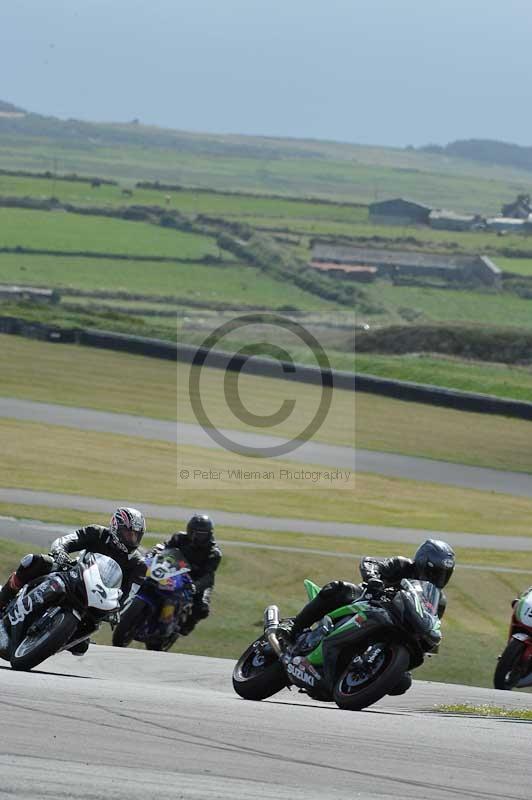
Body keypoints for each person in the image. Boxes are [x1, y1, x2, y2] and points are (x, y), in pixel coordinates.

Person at [0, 507, 147, 654]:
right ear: (116, 527)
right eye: (129, 534)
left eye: (136, 536)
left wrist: (117, 610)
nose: (132, 539)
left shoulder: (138, 564)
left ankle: (45, 639)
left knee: (81, 647)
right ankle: (3, 602)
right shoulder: (97, 533)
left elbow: (129, 595)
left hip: (99, 598)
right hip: (73, 573)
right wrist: (60, 551)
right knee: (35, 562)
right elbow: (67, 540)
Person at [290, 539, 455, 647]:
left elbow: (430, 623)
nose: (438, 578)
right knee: (338, 589)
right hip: (368, 601)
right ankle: (293, 629)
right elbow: (371, 562)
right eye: (435, 572)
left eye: (444, 574)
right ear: (422, 563)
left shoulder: (438, 600)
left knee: (402, 683)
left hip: (395, 629)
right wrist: (373, 579)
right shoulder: (402, 565)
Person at [147, 513, 222, 636]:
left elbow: (208, 576)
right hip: (174, 571)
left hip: (197, 580)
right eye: (193, 532)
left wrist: (195, 586)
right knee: (148, 580)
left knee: (202, 608)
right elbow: (165, 548)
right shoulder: (179, 538)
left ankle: (186, 626)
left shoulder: (213, 553)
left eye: (201, 534)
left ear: (209, 534)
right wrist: (157, 550)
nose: (195, 537)